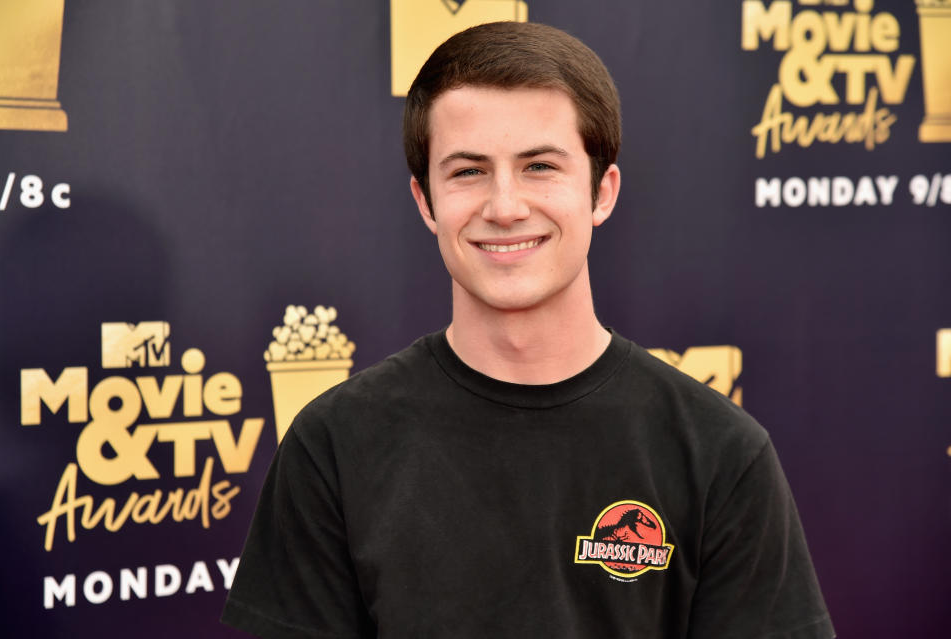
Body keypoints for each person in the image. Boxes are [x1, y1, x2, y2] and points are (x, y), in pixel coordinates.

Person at [222, 21, 834, 638]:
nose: (505, 205)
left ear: (602, 192)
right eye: (468, 171)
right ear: (424, 202)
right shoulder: (332, 445)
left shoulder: (721, 453)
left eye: (539, 166)